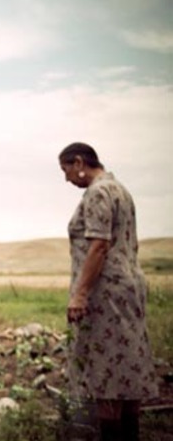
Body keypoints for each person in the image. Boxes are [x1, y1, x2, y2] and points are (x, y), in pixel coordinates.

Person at [58, 142, 157, 441]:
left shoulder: (98, 192)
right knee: (126, 366)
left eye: (66, 170)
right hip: (128, 287)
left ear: (79, 163)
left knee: (106, 372)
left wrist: (79, 294)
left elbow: (98, 246)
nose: (66, 179)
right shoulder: (120, 190)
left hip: (105, 294)